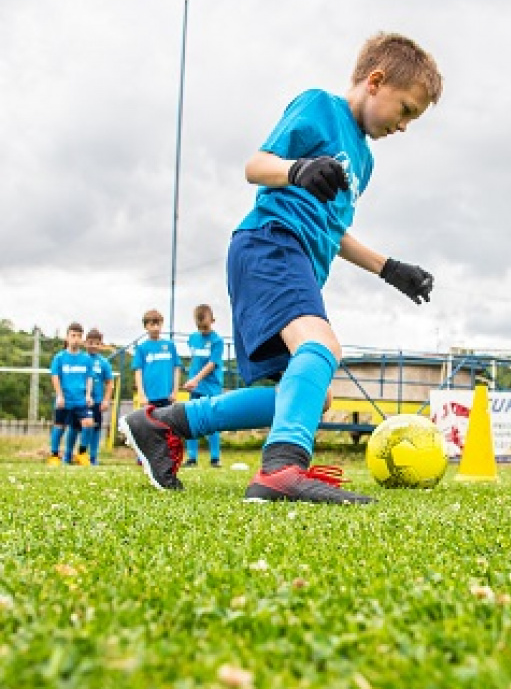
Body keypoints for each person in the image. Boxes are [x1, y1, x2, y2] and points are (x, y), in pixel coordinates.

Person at [120, 32, 443, 504]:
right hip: (271, 243)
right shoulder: (321, 107)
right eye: (407, 109)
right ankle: (282, 470)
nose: (406, 125)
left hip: (299, 262)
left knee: (314, 397)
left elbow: (332, 232)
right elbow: (256, 165)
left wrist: (389, 268)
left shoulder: (365, 161)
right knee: (320, 346)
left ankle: (162, 423)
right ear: (376, 81)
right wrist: (296, 169)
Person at [47, 322, 94, 466]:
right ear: (67, 337)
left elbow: (89, 378)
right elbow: (55, 377)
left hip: (80, 400)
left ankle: (82, 453)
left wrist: (88, 395)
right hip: (65, 399)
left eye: (79, 336)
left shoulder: (86, 359)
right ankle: (54, 455)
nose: (76, 339)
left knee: (88, 423)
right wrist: (60, 395)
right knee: (60, 426)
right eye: (73, 335)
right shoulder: (59, 357)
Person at [183, 304, 224, 468]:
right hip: (195, 387)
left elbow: (212, 364)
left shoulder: (217, 341)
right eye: (199, 327)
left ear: (212, 320)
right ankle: (191, 457)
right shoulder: (192, 338)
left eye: (205, 326)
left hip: (211, 387)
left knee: (211, 421)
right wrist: (192, 380)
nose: (202, 330)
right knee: (191, 420)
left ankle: (215, 457)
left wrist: (196, 379)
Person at [131, 310, 182, 409]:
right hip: (149, 397)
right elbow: (138, 372)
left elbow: (177, 368)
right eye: (152, 325)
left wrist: (175, 391)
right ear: (146, 326)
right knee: (149, 424)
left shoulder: (170, 346)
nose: (156, 328)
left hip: (167, 396)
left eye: (158, 324)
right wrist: (142, 395)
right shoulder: (142, 348)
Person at [85, 327, 114, 465]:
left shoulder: (104, 362)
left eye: (96, 343)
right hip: (80, 400)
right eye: (90, 342)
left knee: (95, 428)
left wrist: (106, 400)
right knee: (79, 428)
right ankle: (77, 454)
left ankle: (93, 456)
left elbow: (109, 383)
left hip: (96, 401)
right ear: (86, 343)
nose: (93, 346)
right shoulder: (81, 359)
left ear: (100, 345)